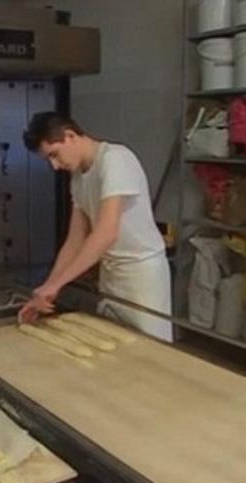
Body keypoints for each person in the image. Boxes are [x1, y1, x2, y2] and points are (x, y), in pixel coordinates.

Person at [19, 112, 172, 342]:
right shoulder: (78, 178)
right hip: (112, 274)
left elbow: (106, 233)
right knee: (116, 345)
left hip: (141, 275)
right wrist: (48, 288)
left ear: (69, 135)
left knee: (149, 353)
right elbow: (75, 240)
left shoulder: (115, 160)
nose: (55, 166)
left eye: (54, 155)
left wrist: (57, 284)